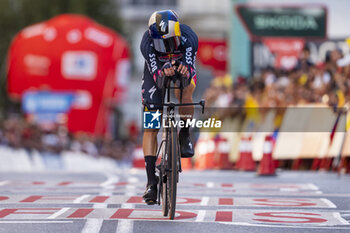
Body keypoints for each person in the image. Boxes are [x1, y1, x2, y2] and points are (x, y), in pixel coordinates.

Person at [140, 10, 198, 204]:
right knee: (151, 123)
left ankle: (184, 133)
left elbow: (190, 69)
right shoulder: (146, 44)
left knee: (185, 90)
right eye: (160, 43)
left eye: (170, 41)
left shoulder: (189, 37)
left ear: (179, 34)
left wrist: (184, 70)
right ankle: (151, 182)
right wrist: (163, 70)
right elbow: (156, 74)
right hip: (157, 71)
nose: (165, 47)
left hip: (181, 65)